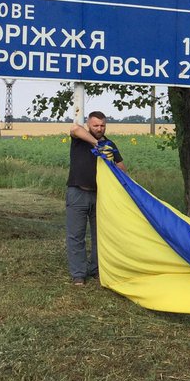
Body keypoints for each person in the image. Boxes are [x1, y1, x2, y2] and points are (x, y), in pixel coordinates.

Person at [66, 111, 126, 286]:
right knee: (76, 235)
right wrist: (96, 144)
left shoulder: (110, 144)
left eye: (102, 126)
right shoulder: (80, 139)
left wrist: (111, 160)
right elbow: (75, 129)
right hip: (77, 193)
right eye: (95, 125)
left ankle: (97, 270)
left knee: (100, 235)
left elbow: (122, 169)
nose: (99, 129)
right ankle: (78, 274)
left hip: (101, 196)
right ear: (89, 124)